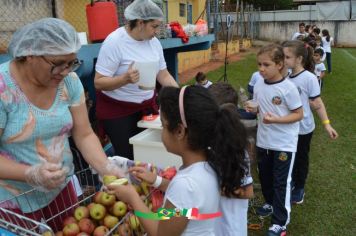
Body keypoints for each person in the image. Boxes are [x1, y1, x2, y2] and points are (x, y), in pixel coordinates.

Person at [0, 18, 123, 231]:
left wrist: (105, 167)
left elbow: (84, 134)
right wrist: (30, 173)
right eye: (58, 64)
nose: (66, 71)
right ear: (30, 54)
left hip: (59, 187)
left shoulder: (69, 82)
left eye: (71, 63)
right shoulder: (4, 88)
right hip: (13, 196)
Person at [107, 85, 249, 236]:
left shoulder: (186, 184)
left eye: (163, 125)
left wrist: (134, 199)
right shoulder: (209, 165)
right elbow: (185, 209)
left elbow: (160, 233)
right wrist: (157, 181)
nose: (162, 131)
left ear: (180, 131)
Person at [94, 0, 178, 160]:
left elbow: (163, 75)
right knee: (128, 158)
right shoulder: (114, 42)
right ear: (140, 23)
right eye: (154, 26)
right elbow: (98, 82)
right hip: (118, 111)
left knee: (149, 155)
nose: (157, 31)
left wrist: (181, 94)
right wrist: (125, 79)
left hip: (146, 107)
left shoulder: (154, 43)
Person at [245, 44, 303, 236]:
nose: (261, 69)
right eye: (259, 64)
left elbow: (298, 114)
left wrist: (276, 119)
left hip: (283, 144)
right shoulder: (260, 83)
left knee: (281, 182)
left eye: (266, 65)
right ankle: (270, 203)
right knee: (265, 178)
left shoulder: (289, 88)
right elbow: (262, 108)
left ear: (279, 65)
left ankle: (280, 223)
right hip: (264, 141)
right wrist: (255, 109)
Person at [282, 40, 338, 205]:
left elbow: (317, 103)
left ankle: (299, 187)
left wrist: (327, 124)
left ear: (299, 59)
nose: (283, 60)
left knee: (301, 157)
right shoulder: (285, 76)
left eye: (287, 57)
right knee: (287, 156)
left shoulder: (309, 78)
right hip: (286, 127)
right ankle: (290, 181)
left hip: (303, 128)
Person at [207, 82, 253, 236]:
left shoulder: (237, 149)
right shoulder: (207, 143)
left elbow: (247, 192)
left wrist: (214, 190)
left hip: (230, 228)